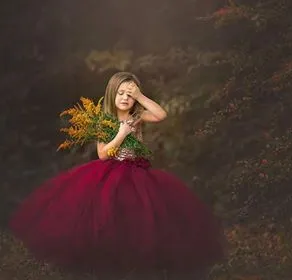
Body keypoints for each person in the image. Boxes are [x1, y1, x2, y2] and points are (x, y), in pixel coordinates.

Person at [9, 72, 225, 279]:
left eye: (130, 95)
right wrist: (121, 134)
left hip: (138, 172)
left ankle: (138, 266)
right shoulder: (104, 120)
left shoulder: (137, 116)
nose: (125, 98)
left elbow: (161, 115)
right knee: (110, 215)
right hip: (110, 173)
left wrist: (140, 95)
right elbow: (103, 154)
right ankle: (108, 266)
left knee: (138, 216)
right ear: (112, 94)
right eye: (121, 93)